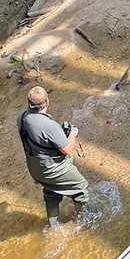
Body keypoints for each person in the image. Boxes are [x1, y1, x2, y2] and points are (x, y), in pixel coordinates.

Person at [18, 85, 89, 227]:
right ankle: (86, 223)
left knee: (51, 192)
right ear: (47, 102)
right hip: (52, 169)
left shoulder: (21, 117)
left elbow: (40, 139)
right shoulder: (49, 125)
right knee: (81, 188)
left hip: (35, 168)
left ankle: (54, 226)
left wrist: (59, 135)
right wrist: (72, 133)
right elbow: (67, 150)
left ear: (28, 102)